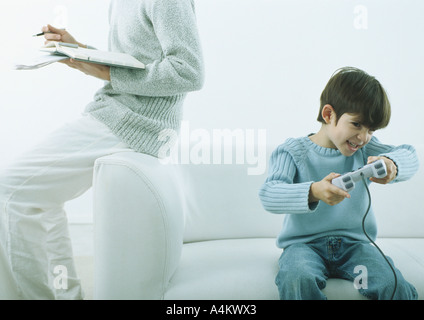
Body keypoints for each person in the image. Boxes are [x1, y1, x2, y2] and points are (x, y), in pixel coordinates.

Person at [0, 0, 204, 299]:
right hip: (114, 111)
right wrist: (79, 48)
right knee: (38, 200)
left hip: (134, 121)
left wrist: (101, 71)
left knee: (9, 189)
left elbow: (188, 72)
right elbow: (134, 60)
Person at [258, 67, 419, 300]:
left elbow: (410, 155)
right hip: (304, 246)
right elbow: (269, 194)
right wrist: (313, 191)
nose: (363, 137)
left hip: (356, 248)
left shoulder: (365, 150)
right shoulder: (292, 151)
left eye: (371, 130)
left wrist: (393, 164)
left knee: (393, 285)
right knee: (298, 280)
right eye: (356, 124)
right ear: (328, 114)